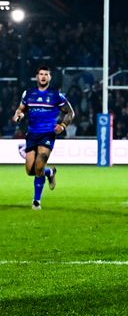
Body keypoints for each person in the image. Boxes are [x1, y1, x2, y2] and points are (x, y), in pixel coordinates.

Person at [10, 66, 73, 210]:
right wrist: (18, 114)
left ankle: (36, 201)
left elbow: (70, 112)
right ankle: (49, 172)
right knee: (30, 171)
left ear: (50, 78)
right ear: (37, 77)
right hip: (32, 134)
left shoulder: (56, 95)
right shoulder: (28, 94)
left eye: (46, 74)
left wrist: (62, 125)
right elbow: (21, 109)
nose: (43, 76)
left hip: (47, 134)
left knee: (39, 165)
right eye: (41, 74)